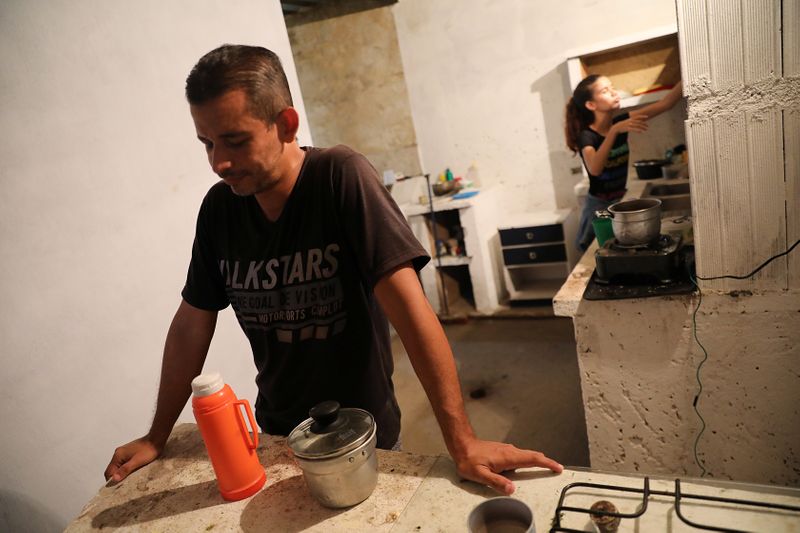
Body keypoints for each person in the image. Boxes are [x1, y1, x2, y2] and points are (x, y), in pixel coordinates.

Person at [104, 44, 562, 495]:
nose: (219, 162)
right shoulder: (219, 210)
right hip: (280, 439)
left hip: (365, 440)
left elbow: (412, 314)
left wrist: (461, 441)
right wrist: (155, 436)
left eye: (236, 141)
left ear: (285, 124)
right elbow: (191, 325)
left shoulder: (340, 177)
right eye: (207, 143)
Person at [565, 75, 684, 251]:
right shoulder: (587, 136)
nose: (614, 92)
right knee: (595, 253)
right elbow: (595, 169)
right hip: (598, 207)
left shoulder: (620, 123)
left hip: (619, 200)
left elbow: (665, 104)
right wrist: (614, 131)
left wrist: (688, 76)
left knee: (619, 249)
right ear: (591, 105)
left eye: (612, 87)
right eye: (605, 91)